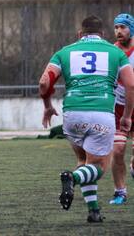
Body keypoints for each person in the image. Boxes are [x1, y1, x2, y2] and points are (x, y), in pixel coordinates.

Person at [39, 15, 134, 222]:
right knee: (99, 167)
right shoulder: (115, 52)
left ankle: (94, 211)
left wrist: (47, 107)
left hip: (72, 115)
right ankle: (72, 178)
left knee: (85, 160)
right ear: (103, 34)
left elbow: (44, 83)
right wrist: (127, 116)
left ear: (80, 34)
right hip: (101, 114)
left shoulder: (64, 52)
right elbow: (131, 85)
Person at [109, 13, 134, 205]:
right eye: (116, 27)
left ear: (131, 29)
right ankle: (120, 192)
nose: (118, 31)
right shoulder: (111, 52)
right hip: (118, 108)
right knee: (117, 150)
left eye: (123, 27)